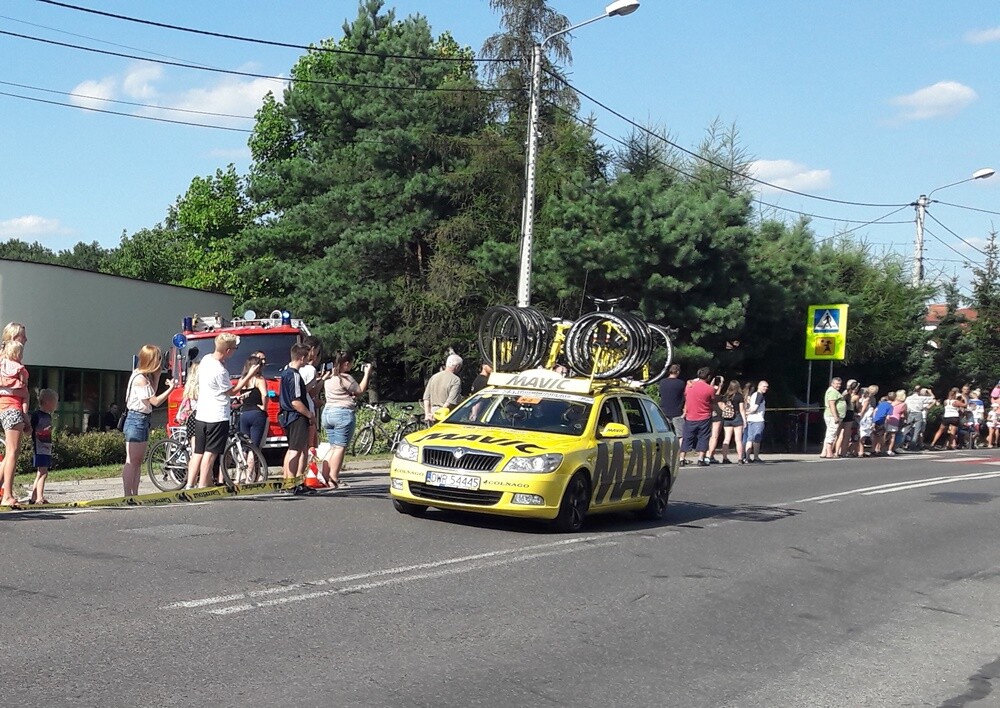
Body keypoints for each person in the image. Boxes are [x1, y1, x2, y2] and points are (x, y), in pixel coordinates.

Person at [187, 333, 259, 489]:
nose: (234, 352)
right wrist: (249, 375)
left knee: (198, 452)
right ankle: (202, 486)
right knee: (210, 453)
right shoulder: (220, 371)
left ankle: (189, 484)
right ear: (227, 350)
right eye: (234, 349)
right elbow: (232, 391)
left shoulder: (206, 360)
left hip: (201, 414)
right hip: (217, 416)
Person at [120, 344, 176, 496]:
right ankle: (127, 494)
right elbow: (155, 401)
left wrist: (157, 376)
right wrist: (171, 389)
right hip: (136, 418)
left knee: (138, 461)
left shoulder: (143, 376)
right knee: (132, 460)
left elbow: (152, 392)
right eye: (157, 359)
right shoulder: (140, 379)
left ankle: (135, 493)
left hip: (143, 418)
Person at [321, 350, 373, 489]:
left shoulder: (329, 378)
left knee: (332, 446)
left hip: (328, 412)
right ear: (346, 364)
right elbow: (360, 390)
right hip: (342, 414)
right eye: (351, 363)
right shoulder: (346, 378)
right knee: (340, 447)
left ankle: (325, 477)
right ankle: (333, 479)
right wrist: (367, 374)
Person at [0, 323, 29, 508]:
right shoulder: (15, 366)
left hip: (5, 409)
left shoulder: (3, 362)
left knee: (12, 451)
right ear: (13, 338)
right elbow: (22, 392)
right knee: (12, 452)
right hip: (12, 408)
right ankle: (7, 495)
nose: (26, 340)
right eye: (22, 336)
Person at [279, 343, 314, 480]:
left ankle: (290, 479)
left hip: (288, 416)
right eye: (307, 357)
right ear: (301, 357)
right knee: (296, 450)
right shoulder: (294, 375)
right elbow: (296, 401)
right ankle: (292, 481)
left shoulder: (285, 373)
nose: (308, 360)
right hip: (296, 416)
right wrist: (309, 414)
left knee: (292, 448)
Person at [24, 388, 57, 504]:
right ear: (48, 402)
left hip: (46, 447)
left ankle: (33, 497)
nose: (56, 405)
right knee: (43, 472)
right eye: (55, 402)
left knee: (40, 472)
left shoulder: (48, 416)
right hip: (40, 447)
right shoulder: (37, 415)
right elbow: (32, 430)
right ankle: (39, 497)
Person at [682, 367, 715, 467]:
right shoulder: (710, 389)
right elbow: (712, 401)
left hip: (690, 416)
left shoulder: (689, 386)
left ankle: (682, 458)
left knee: (687, 437)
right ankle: (701, 459)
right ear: (708, 377)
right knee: (703, 437)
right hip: (704, 416)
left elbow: (686, 396)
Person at [658, 364, 687, 463]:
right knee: (681, 435)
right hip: (677, 411)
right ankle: (680, 457)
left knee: (664, 435)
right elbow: (684, 397)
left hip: (663, 411)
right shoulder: (680, 383)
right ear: (678, 372)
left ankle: (664, 456)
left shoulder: (662, 382)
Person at [423, 353, 463, 422]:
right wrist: (440, 414)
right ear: (457, 367)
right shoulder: (456, 380)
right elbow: (450, 401)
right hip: (447, 415)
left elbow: (426, 398)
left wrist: (427, 414)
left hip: (432, 413)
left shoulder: (434, 377)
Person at [717, 379, 746, 464]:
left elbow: (720, 404)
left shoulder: (726, 396)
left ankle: (725, 458)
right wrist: (744, 421)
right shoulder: (739, 396)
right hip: (737, 417)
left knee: (726, 439)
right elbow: (741, 409)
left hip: (727, 419)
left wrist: (725, 411)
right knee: (738, 440)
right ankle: (740, 458)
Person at [744, 380, 769, 463]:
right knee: (756, 439)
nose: (766, 388)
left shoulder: (753, 395)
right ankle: (756, 457)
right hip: (758, 420)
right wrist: (748, 412)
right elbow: (755, 408)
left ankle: (747, 457)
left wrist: (746, 413)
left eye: (767, 387)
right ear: (759, 386)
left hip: (750, 419)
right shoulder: (759, 395)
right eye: (764, 386)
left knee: (749, 439)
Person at [820, 377, 845, 458]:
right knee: (831, 433)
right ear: (832, 383)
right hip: (832, 416)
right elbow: (831, 404)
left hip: (831, 415)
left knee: (829, 433)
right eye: (837, 384)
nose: (839, 385)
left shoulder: (833, 391)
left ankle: (824, 452)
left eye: (840, 384)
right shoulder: (832, 392)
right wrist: (835, 416)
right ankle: (829, 453)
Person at [705, 375, 726, 463]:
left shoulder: (708, 394)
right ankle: (710, 455)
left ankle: (706, 454)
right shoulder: (719, 397)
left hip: (708, 415)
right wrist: (721, 383)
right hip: (717, 416)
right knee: (714, 436)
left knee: (707, 436)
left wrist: (712, 383)